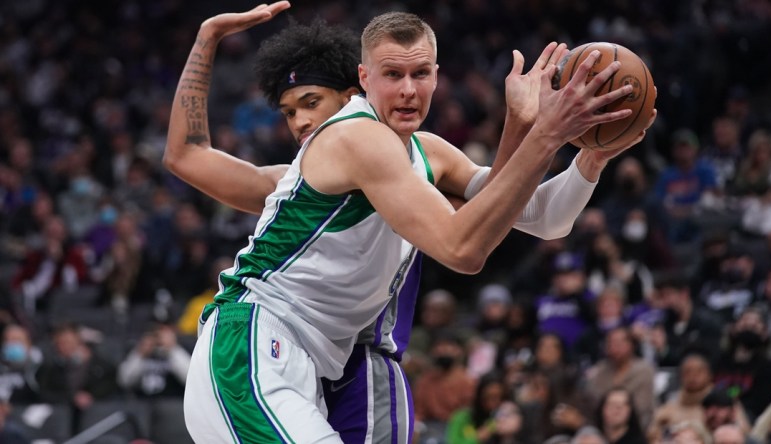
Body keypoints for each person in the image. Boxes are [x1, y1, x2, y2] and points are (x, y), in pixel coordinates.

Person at [170, 3, 652, 443]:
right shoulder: (357, 138)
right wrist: (543, 133)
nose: (407, 89)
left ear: (437, 77)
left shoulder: (428, 153)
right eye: (392, 74)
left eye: (419, 73)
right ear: (364, 80)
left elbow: (543, 217)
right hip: (252, 342)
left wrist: (592, 155)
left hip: (310, 361)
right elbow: (463, 249)